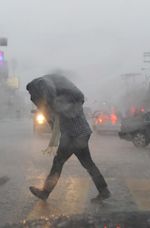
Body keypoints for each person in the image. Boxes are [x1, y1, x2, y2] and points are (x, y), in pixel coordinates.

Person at [26, 74, 111, 202]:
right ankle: (103, 190)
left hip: (73, 135)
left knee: (58, 162)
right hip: (82, 132)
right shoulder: (66, 98)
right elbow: (55, 121)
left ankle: (45, 192)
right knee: (88, 164)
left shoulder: (57, 98)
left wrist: (47, 107)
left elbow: (53, 110)